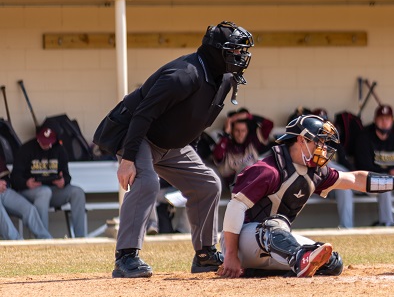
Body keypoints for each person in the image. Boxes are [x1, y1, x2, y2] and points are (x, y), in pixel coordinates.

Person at [92, 20, 254, 278]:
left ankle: (205, 254)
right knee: (147, 183)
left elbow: (198, 121)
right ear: (216, 51)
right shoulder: (183, 74)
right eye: (233, 50)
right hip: (136, 133)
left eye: (240, 51)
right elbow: (142, 115)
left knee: (208, 183)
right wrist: (128, 160)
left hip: (170, 143)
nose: (239, 56)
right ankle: (126, 257)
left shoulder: (222, 79)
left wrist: (192, 161)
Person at [218, 114, 394, 278]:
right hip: (240, 240)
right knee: (275, 228)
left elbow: (355, 180)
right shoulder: (268, 169)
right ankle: (293, 258)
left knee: (331, 263)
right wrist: (230, 254)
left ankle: (264, 268)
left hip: (273, 242)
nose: (323, 149)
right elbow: (235, 208)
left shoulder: (315, 172)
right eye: (319, 142)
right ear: (301, 140)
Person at [11, 126, 87, 237]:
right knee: (44, 191)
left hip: (53, 191)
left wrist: (63, 181)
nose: (46, 145)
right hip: (29, 193)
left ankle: (81, 238)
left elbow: (66, 175)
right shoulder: (26, 149)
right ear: (37, 138)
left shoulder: (59, 149)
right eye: (43, 141)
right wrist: (26, 183)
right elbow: (14, 178)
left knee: (78, 192)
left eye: (49, 142)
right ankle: (43, 239)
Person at [354, 104, 394, 226]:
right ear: (375, 120)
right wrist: (390, 172)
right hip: (369, 182)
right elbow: (364, 167)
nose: (384, 122)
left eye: (387, 119)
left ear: (392, 120)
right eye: (381, 119)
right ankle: (388, 224)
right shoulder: (365, 138)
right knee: (384, 183)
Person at [212, 109, 274, 187]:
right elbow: (217, 155)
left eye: (243, 131)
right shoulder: (226, 143)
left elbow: (269, 124)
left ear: (247, 131)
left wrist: (249, 116)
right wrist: (226, 134)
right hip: (231, 185)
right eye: (237, 131)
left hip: (252, 183)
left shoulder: (252, 141)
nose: (240, 134)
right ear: (231, 131)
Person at [0, 150, 51, 239]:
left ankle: (46, 241)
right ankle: (17, 243)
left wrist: (4, 184)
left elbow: (6, 176)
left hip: (3, 191)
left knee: (29, 209)